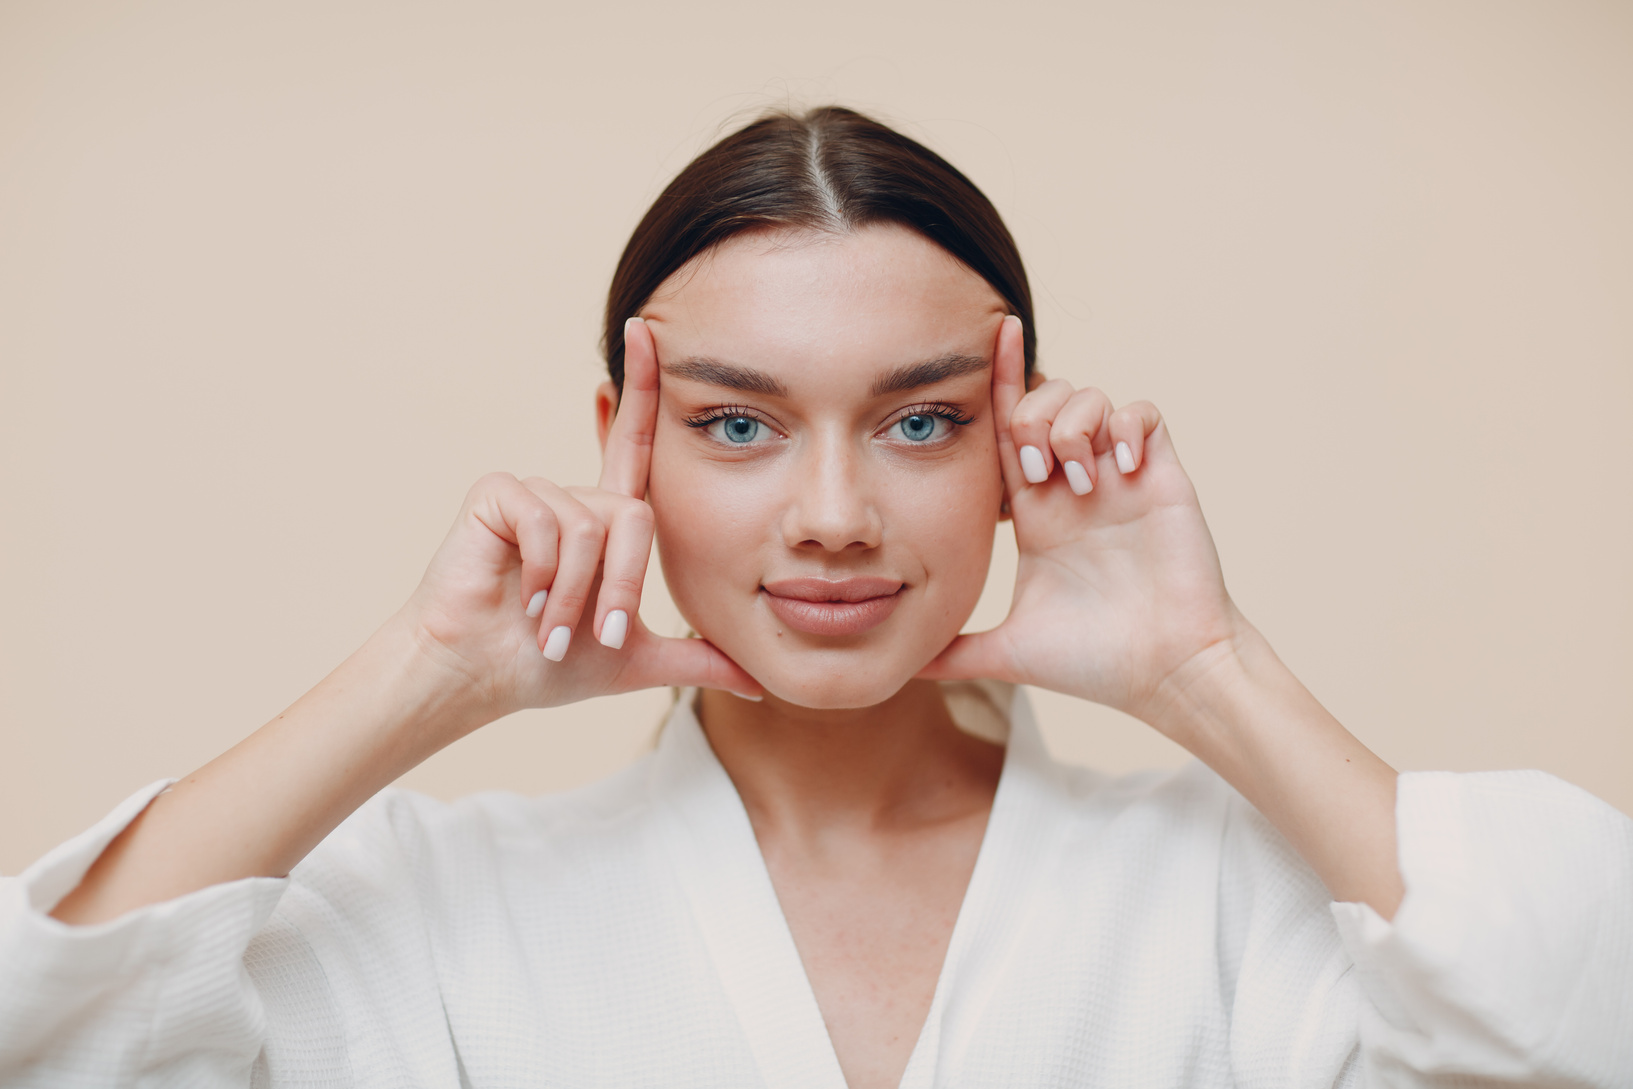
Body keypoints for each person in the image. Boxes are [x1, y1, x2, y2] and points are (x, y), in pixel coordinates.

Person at [1, 106, 1628, 1089]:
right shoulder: (438, 902)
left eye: (922, 422)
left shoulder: (1229, 894)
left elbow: (1574, 1028)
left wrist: (1204, 671)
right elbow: (48, 1040)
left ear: (1020, 445)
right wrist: (425, 676)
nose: (837, 515)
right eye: (734, 424)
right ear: (622, 450)